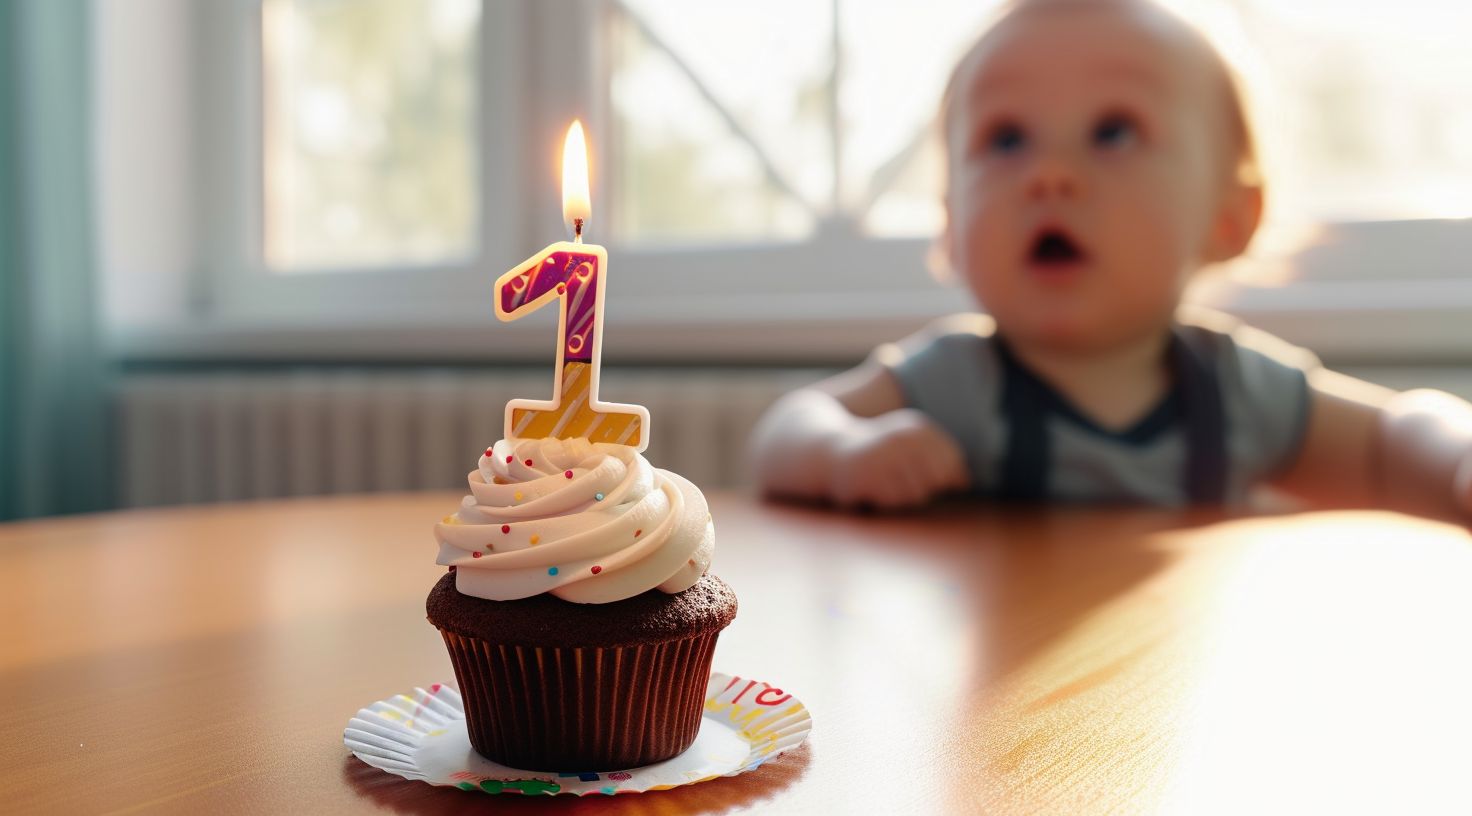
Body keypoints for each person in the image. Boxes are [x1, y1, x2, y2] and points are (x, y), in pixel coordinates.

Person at [749, 0, 1472, 518]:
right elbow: (788, 427)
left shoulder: (1232, 390)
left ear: (1228, 218)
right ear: (949, 226)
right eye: (1005, 140)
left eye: (1114, 131)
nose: (1049, 175)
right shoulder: (958, 380)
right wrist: (845, 453)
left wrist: (1457, 457)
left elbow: (1391, 440)